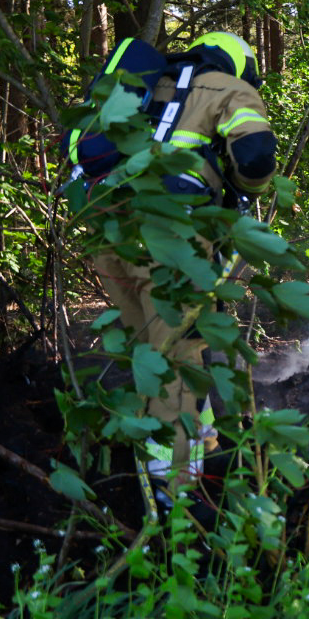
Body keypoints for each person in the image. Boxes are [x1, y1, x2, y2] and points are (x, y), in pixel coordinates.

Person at [74, 31, 278, 483]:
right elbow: (257, 155)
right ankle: (174, 493)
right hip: (172, 233)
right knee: (174, 356)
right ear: (239, 66)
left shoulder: (149, 85)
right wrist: (245, 192)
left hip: (109, 231)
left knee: (147, 350)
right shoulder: (229, 88)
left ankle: (202, 447)